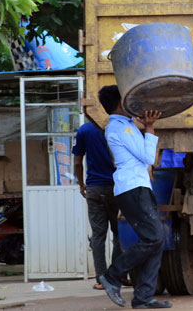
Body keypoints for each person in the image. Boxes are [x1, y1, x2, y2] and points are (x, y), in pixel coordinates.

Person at [97, 85, 171, 309]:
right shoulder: (121, 129)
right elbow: (149, 156)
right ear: (121, 104)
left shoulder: (126, 125)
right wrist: (150, 128)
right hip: (132, 188)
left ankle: (143, 297)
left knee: (155, 241)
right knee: (154, 239)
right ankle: (112, 276)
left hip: (136, 187)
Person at [73, 121, 121, 290]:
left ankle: (101, 279)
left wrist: (81, 184)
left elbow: (78, 162)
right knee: (119, 233)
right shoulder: (118, 126)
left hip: (94, 188)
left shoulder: (84, 130)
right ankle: (117, 276)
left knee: (98, 235)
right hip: (117, 187)